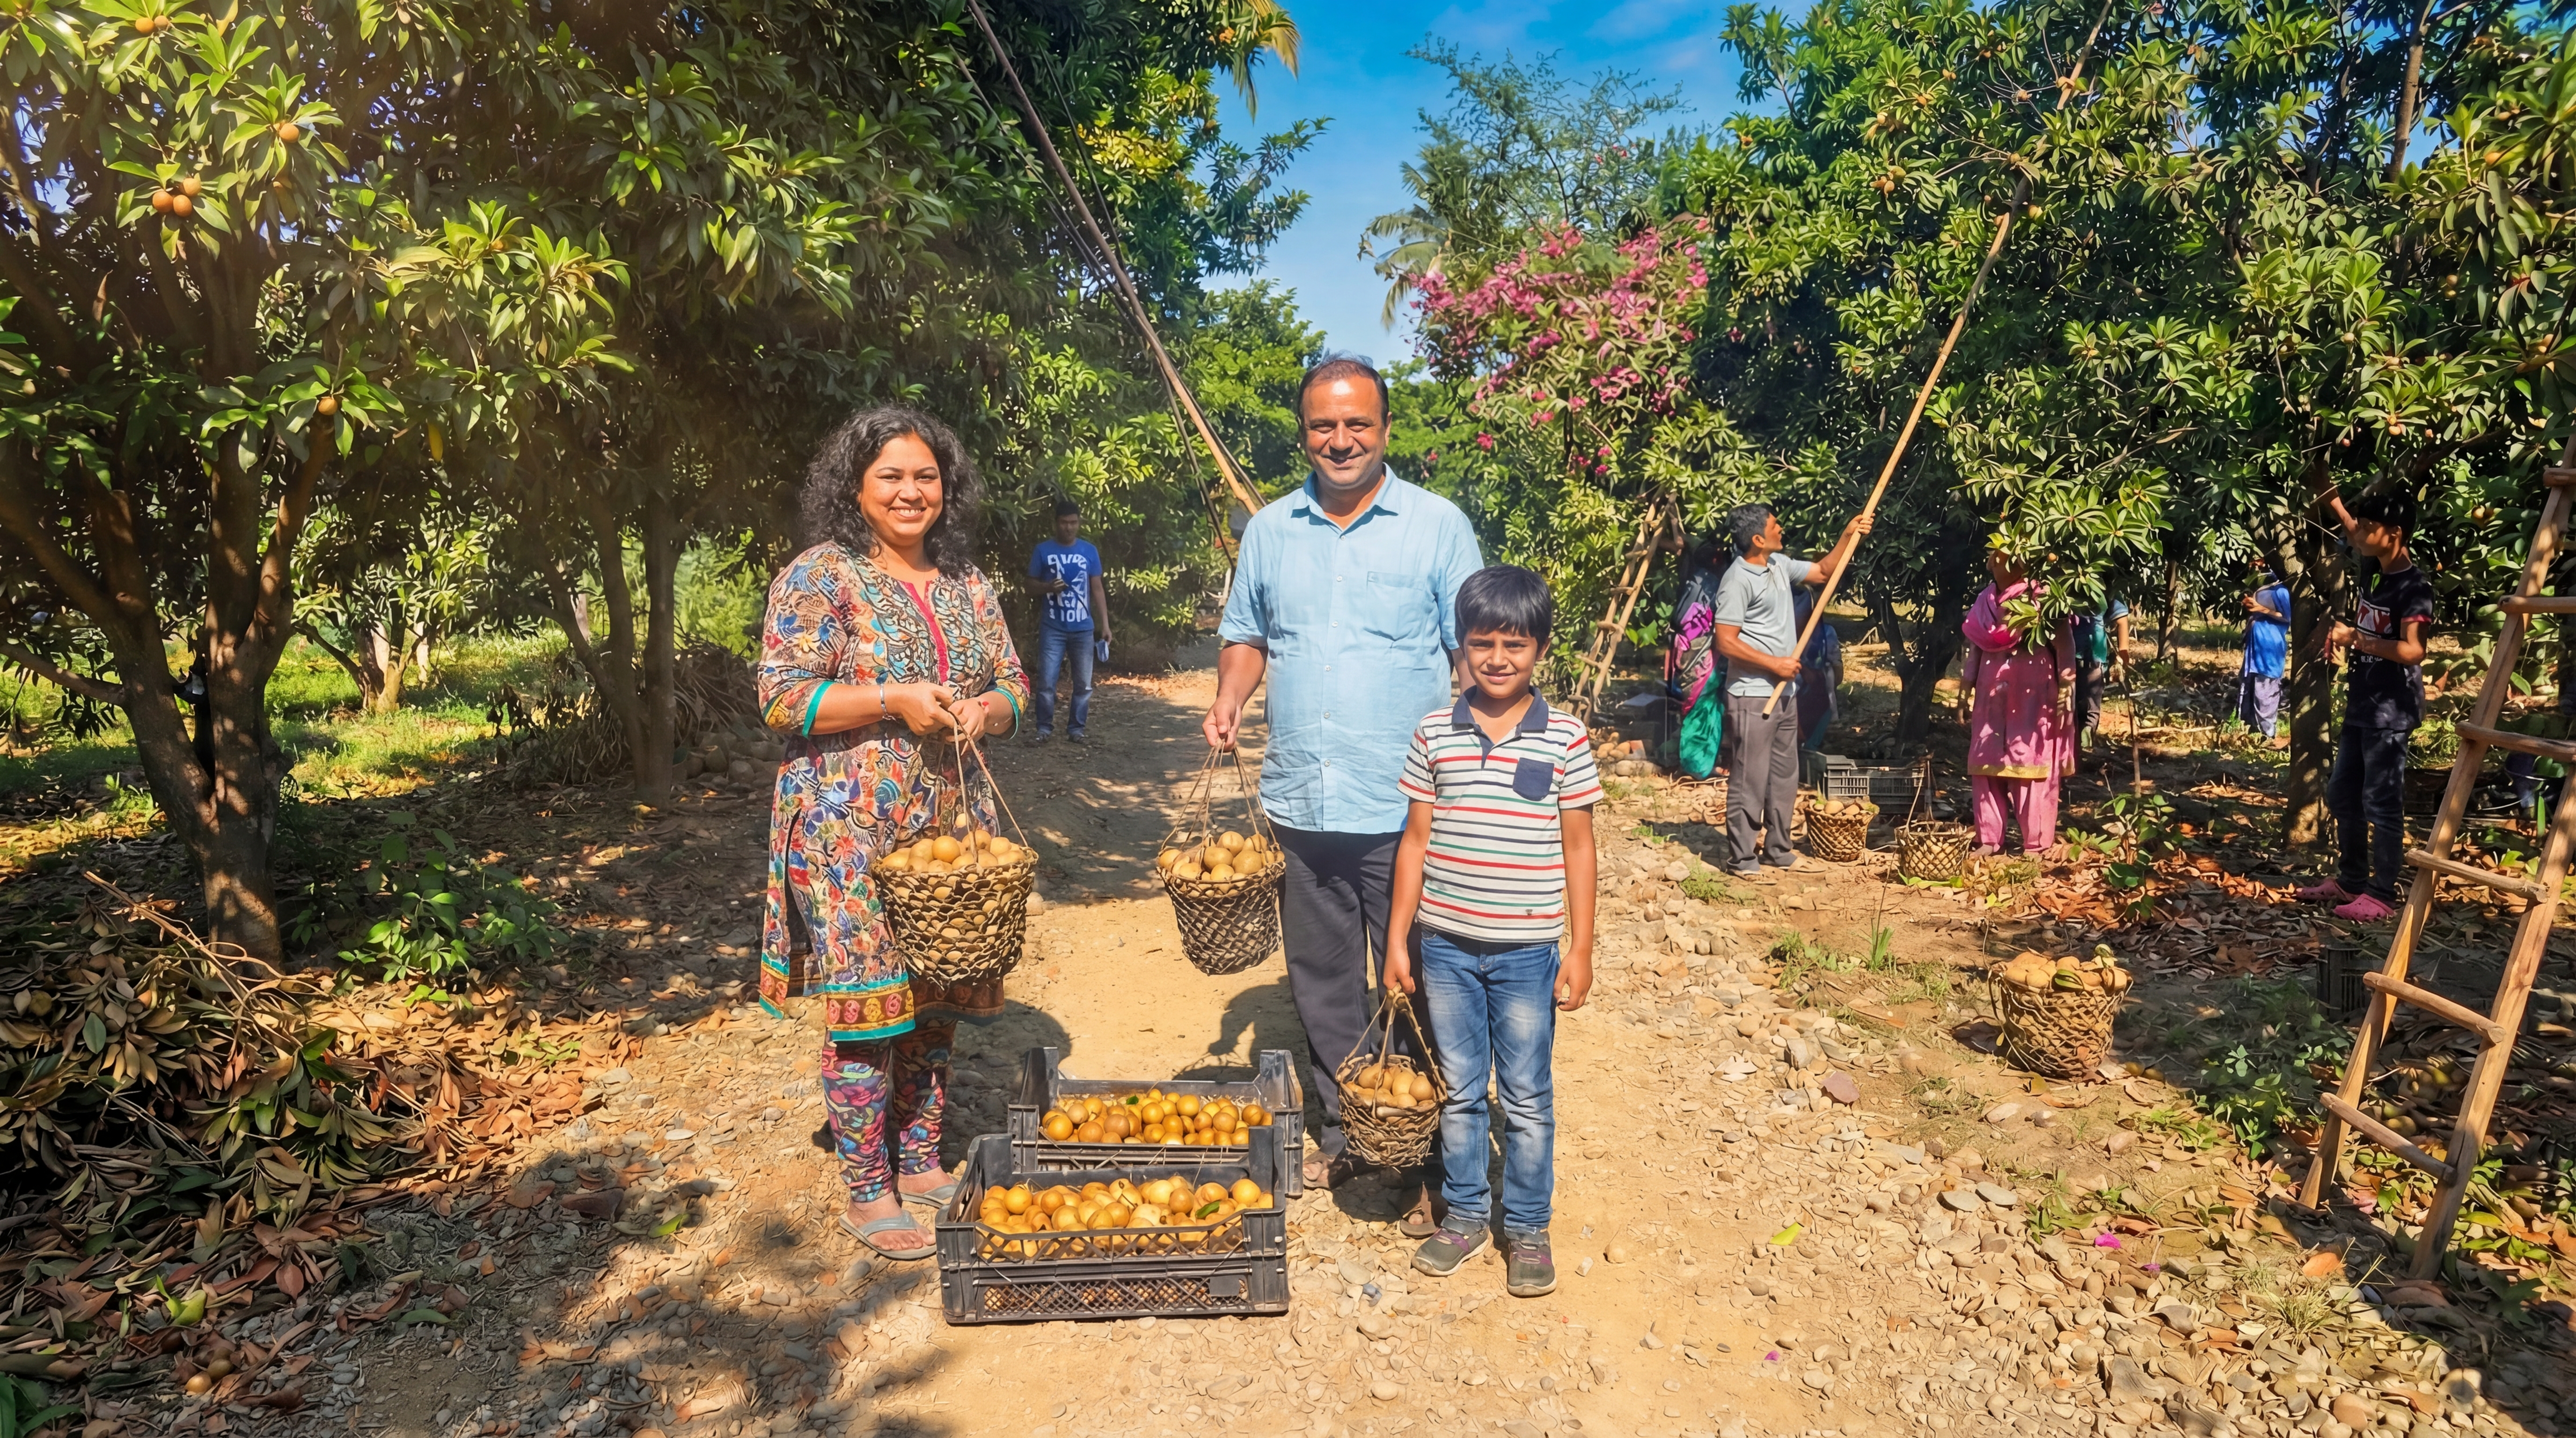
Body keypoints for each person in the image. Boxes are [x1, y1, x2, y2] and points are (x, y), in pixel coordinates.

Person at [1204, 354, 1484, 1223]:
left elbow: (1475, 652)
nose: (1339, 439)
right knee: (1323, 979)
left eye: (1356, 423)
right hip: (1301, 798)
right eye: (1323, 425)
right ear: (1304, 433)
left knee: (1422, 977)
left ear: (1384, 430)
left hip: (1407, 806)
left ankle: (1436, 1146)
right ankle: (1349, 1128)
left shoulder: (1436, 527)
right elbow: (1246, 631)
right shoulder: (1269, 532)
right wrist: (1228, 693)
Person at [757, 405, 1030, 1260]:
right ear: (854, 488)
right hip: (846, 823)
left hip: (949, 821)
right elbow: (779, 698)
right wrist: (893, 699)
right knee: (869, 1000)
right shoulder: (819, 577)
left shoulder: (967, 582)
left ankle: (918, 1160)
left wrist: (989, 710)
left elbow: (1017, 686)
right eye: (891, 477)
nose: (911, 492)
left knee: (937, 989)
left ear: (947, 489)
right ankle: (866, 1185)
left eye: (926, 477)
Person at [1383, 565, 1598, 1299]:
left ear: (1540, 648)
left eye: (1515, 643)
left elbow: (1580, 848)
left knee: (1529, 1095)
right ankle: (1468, 1214)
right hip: (1444, 947)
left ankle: (1529, 1227)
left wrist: (1581, 949)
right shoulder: (1435, 733)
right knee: (1461, 1088)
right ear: (1461, 648)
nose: (1498, 658)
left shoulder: (1564, 739)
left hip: (1527, 954)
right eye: (1482, 644)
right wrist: (1397, 940)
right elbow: (1414, 843)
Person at [1710, 502, 1873, 878]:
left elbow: (1824, 571)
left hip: (1785, 693)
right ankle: (1743, 858)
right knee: (1750, 774)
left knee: (1785, 773)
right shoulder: (1738, 580)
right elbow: (1726, 642)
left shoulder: (1780, 565)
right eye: (1775, 525)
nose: (1781, 529)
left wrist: (1849, 533)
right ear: (1757, 539)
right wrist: (1775, 665)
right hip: (1752, 693)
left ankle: (1779, 849)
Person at [2296, 487, 2433, 922]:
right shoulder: (2373, 568)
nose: (2360, 534)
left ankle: (2381, 894)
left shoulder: (2413, 588)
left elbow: (2414, 652)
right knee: (2341, 795)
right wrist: (2332, 498)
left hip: (2390, 712)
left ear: (2394, 535)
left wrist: (2357, 638)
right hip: (2363, 705)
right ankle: (2351, 880)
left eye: (2371, 528)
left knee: (2381, 802)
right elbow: (2353, 531)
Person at [1958, 544, 2077, 856]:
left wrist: (2067, 686)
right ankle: (1988, 839)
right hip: (1990, 697)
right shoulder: (1985, 602)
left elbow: (2064, 645)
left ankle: (2035, 843)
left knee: (2031, 766)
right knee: (1986, 765)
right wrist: (1965, 688)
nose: (1999, 561)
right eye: (1996, 556)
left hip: (2033, 695)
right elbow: (1976, 649)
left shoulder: (2044, 599)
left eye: (2008, 556)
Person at [1025, 499, 1109, 744]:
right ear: (1056, 524)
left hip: (1083, 628)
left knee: (1084, 684)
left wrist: (1105, 624)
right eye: (1064, 523)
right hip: (1053, 627)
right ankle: (1044, 729)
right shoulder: (1043, 551)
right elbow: (1029, 585)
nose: (1069, 528)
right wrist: (1048, 587)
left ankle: (1077, 729)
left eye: (1073, 523)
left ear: (1079, 523)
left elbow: (1098, 589)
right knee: (1047, 682)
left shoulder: (1089, 551)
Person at [1669, 536, 1729, 780]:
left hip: (1688, 654)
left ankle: (1698, 762)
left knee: (1696, 709)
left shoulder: (1692, 583)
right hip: (1703, 657)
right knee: (1703, 711)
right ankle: (1698, 766)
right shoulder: (1714, 587)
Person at [2238, 561, 2292, 745]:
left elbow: (2288, 617)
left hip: (2270, 645)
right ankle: (2252, 727)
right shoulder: (2273, 581)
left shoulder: (2284, 590)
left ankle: (2268, 733)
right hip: (2257, 645)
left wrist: (2261, 609)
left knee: (2266, 688)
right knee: (2253, 685)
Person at [2071, 599, 2131, 750]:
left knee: (2090, 709)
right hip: (2066, 656)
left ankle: (2084, 749)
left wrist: (2124, 653)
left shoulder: (2107, 583)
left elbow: (2122, 618)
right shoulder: (2064, 582)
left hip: (2094, 659)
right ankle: (2071, 750)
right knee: (2069, 706)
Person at [1792, 585, 1843, 753]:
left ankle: (1809, 744)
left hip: (1816, 689)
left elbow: (1837, 668)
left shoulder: (1826, 633)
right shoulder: (1786, 634)